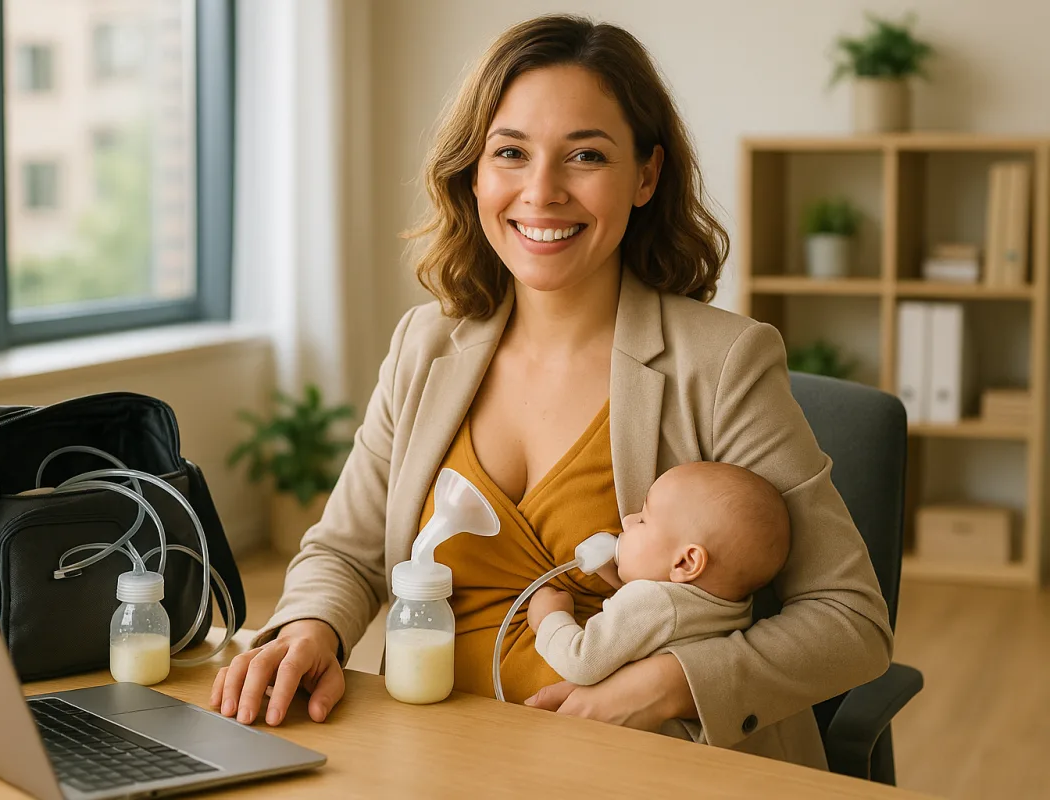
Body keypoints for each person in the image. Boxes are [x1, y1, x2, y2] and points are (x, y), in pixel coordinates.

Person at [211, 14, 892, 768]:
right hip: (431, 755)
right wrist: (314, 628)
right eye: (510, 153)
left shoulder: (724, 361)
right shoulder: (424, 344)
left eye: (586, 156)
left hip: (643, 768)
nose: (542, 192)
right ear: (474, 173)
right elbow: (348, 552)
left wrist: (671, 685)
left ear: (645, 176)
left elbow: (851, 618)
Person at [526, 461, 791, 745]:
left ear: (686, 562)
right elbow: (665, 629)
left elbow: (582, 661)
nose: (627, 520)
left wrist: (549, 619)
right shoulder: (733, 604)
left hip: (628, 749)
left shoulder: (651, 600)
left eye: (642, 519)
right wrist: (620, 578)